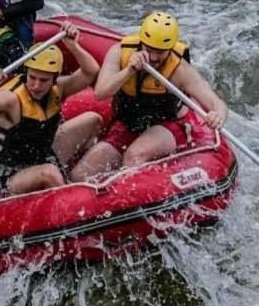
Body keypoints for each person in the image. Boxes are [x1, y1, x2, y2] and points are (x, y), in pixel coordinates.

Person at [70, 11, 228, 181]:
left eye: (160, 52)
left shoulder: (180, 70)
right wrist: (129, 70)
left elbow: (216, 103)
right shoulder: (119, 52)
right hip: (129, 123)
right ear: (142, 42)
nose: (153, 57)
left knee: (134, 155)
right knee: (80, 175)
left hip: (168, 125)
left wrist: (218, 115)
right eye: (150, 50)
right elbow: (101, 93)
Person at [0, 22, 103, 195]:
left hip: (43, 155)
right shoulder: (11, 98)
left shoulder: (59, 88)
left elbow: (91, 71)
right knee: (49, 173)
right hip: (11, 173)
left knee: (93, 119)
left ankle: (79, 177)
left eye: (44, 80)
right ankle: (72, 200)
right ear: (26, 72)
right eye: (32, 77)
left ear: (55, 78)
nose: (36, 85)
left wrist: (72, 45)